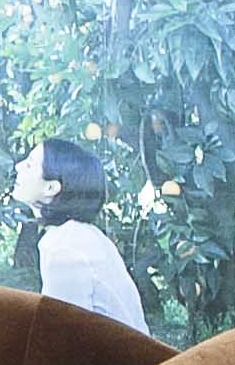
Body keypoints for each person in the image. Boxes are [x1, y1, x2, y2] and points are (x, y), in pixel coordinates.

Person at [13, 138, 147, 332]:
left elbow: (63, 335)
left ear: (51, 188)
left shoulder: (63, 248)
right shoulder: (82, 235)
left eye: (29, 164)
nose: (18, 166)